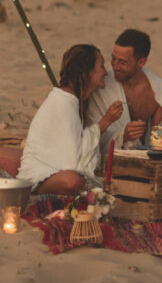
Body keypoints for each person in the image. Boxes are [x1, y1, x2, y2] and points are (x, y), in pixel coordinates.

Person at [17, 44, 124, 195]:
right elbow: (71, 161)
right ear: (87, 72)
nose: (106, 73)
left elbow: (76, 146)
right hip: (39, 175)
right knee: (73, 181)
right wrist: (106, 121)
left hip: (57, 171)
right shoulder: (63, 102)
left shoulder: (74, 100)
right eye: (101, 67)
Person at [87, 29, 162, 154]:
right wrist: (124, 136)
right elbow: (88, 138)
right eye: (113, 58)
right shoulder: (102, 85)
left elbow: (159, 142)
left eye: (122, 62)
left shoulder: (159, 91)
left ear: (141, 62)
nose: (115, 66)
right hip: (109, 160)